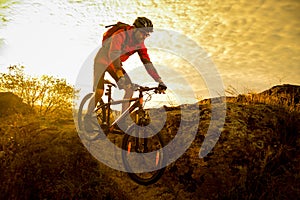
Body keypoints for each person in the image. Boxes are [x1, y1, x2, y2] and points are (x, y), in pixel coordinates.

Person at [84, 17, 167, 131]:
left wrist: (160, 81)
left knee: (129, 89)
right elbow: (113, 53)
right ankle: (88, 117)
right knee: (99, 91)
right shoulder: (121, 35)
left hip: (115, 64)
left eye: (147, 35)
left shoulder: (140, 44)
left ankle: (121, 122)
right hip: (102, 61)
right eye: (143, 33)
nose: (144, 37)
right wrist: (119, 74)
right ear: (134, 29)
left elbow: (147, 62)